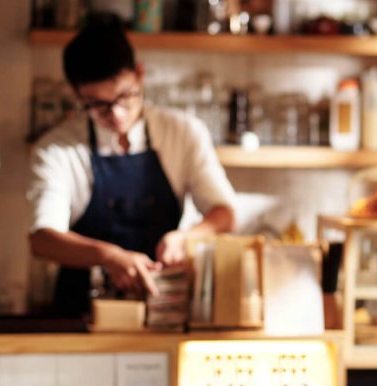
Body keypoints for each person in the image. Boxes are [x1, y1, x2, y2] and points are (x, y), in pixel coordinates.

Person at [27, 15, 236, 316]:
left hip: (163, 306)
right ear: (76, 95)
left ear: (139, 74)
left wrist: (187, 238)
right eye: (98, 105)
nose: (116, 114)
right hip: (81, 313)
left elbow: (224, 214)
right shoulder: (57, 148)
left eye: (125, 96)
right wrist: (107, 256)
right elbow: (42, 239)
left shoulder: (183, 132)